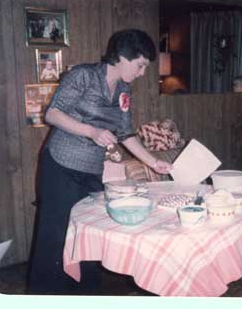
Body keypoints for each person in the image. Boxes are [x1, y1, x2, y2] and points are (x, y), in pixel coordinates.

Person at [27, 29, 172, 295]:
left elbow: (125, 134)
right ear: (122, 56)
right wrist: (91, 131)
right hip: (60, 165)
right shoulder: (83, 75)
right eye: (140, 65)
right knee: (56, 235)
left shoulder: (124, 90)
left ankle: (86, 295)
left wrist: (154, 163)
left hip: (91, 170)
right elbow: (53, 114)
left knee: (88, 233)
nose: (142, 73)